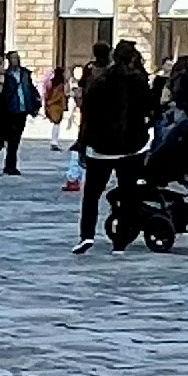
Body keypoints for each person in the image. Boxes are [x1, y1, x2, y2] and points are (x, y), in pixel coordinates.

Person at [73, 42, 153, 249]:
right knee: (129, 195)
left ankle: (87, 235)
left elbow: (87, 116)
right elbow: (150, 110)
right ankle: (121, 240)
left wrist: (83, 144)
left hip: (101, 147)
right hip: (132, 146)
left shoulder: (100, 82)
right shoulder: (139, 81)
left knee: (91, 194)